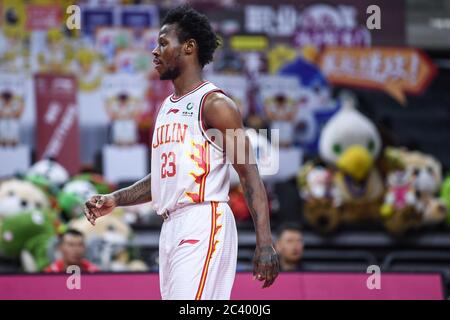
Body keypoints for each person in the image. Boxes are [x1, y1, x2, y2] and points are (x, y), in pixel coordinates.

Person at [84, 5, 279, 300]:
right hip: (171, 225)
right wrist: (116, 198)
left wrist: (264, 242)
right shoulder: (167, 107)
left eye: (163, 43)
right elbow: (164, 178)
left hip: (203, 218)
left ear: (189, 47)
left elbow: (249, 172)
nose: (154, 51)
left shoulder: (215, 104)